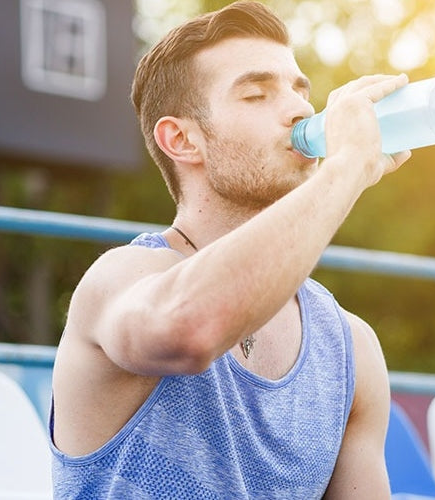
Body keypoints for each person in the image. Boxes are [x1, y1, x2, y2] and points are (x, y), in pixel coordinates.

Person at [48, 1, 411, 498]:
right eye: (258, 94)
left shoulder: (352, 349)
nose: (302, 110)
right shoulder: (120, 280)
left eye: (300, 92)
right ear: (182, 140)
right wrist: (346, 167)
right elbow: (192, 330)